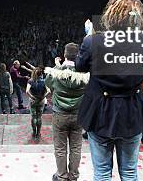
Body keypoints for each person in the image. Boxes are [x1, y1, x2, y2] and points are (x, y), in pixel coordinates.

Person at [76, 0, 143, 181]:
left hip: (100, 113)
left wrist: (89, 36)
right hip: (131, 113)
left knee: (101, 172)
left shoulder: (93, 41)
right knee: (130, 172)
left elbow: (80, 66)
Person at [45, 43, 89, 181]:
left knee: (60, 148)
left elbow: (48, 83)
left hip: (60, 115)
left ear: (64, 54)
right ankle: (74, 175)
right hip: (77, 115)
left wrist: (57, 66)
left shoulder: (57, 71)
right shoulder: (84, 73)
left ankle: (62, 176)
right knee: (76, 147)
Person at [26, 66, 50, 140]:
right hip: (40, 101)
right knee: (39, 117)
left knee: (33, 117)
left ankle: (34, 132)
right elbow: (49, 91)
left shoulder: (30, 81)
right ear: (41, 74)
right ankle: (38, 132)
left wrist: (32, 97)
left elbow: (27, 91)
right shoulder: (44, 81)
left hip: (33, 101)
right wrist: (43, 97)